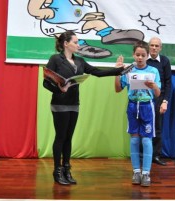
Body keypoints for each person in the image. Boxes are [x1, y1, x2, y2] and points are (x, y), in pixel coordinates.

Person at [43, 31, 126, 185]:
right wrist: (59, 89)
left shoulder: (80, 61)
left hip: (74, 104)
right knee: (60, 137)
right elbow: (46, 83)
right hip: (60, 104)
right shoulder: (56, 59)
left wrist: (119, 70)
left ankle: (67, 170)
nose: (78, 45)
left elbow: (97, 73)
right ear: (66, 44)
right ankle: (57, 171)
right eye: (75, 42)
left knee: (68, 138)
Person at [115, 41, 161, 187]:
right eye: (137, 55)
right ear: (133, 55)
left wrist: (153, 86)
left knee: (146, 140)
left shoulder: (153, 71)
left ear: (148, 55)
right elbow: (117, 89)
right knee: (134, 140)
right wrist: (117, 72)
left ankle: (146, 173)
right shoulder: (128, 69)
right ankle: (136, 171)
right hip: (133, 106)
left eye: (143, 55)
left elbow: (158, 93)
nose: (140, 58)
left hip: (147, 107)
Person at [147, 37, 172, 166]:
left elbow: (168, 83)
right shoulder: (142, 61)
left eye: (157, 46)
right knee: (143, 129)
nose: (154, 48)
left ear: (160, 48)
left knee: (157, 128)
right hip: (144, 99)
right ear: (148, 46)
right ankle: (143, 155)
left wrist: (165, 101)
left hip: (159, 100)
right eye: (152, 45)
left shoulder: (165, 61)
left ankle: (156, 156)